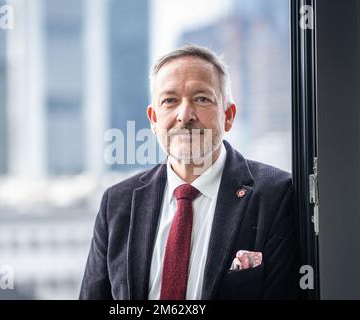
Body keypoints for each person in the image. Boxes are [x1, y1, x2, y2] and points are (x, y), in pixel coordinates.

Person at [79, 44, 300, 300]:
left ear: (228, 116)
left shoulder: (276, 195)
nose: (185, 115)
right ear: (153, 119)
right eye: (170, 101)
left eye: (201, 99)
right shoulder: (117, 203)